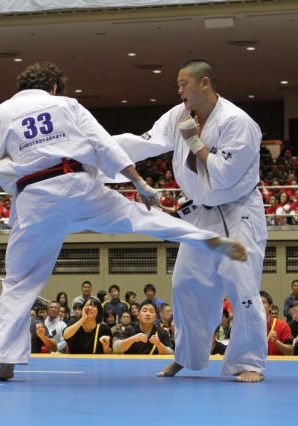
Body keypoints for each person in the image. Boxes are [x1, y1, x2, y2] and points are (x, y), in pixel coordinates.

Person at [0, 62, 246, 380]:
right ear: (54, 88)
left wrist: (13, 166)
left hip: (35, 199)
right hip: (77, 185)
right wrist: (139, 183)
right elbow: (104, 144)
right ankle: (204, 238)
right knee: (138, 217)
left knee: (19, 282)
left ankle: (7, 362)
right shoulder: (66, 104)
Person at [114, 60, 268, 382]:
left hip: (237, 211)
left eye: (184, 83)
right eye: (178, 85)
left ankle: (249, 362)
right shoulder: (178, 116)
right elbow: (144, 142)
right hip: (200, 213)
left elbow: (225, 176)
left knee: (241, 285)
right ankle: (187, 356)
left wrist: (195, 141)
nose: (179, 90)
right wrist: (100, 151)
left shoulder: (238, 122)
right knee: (185, 283)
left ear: (205, 83)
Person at [260, 291, 293, 356]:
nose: (260, 305)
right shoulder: (248, 326)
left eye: (263, 302)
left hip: (276, 362)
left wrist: (276, 342)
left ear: (270, 306)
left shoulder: (282, 325)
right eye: (257, 303)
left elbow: (290, 352)